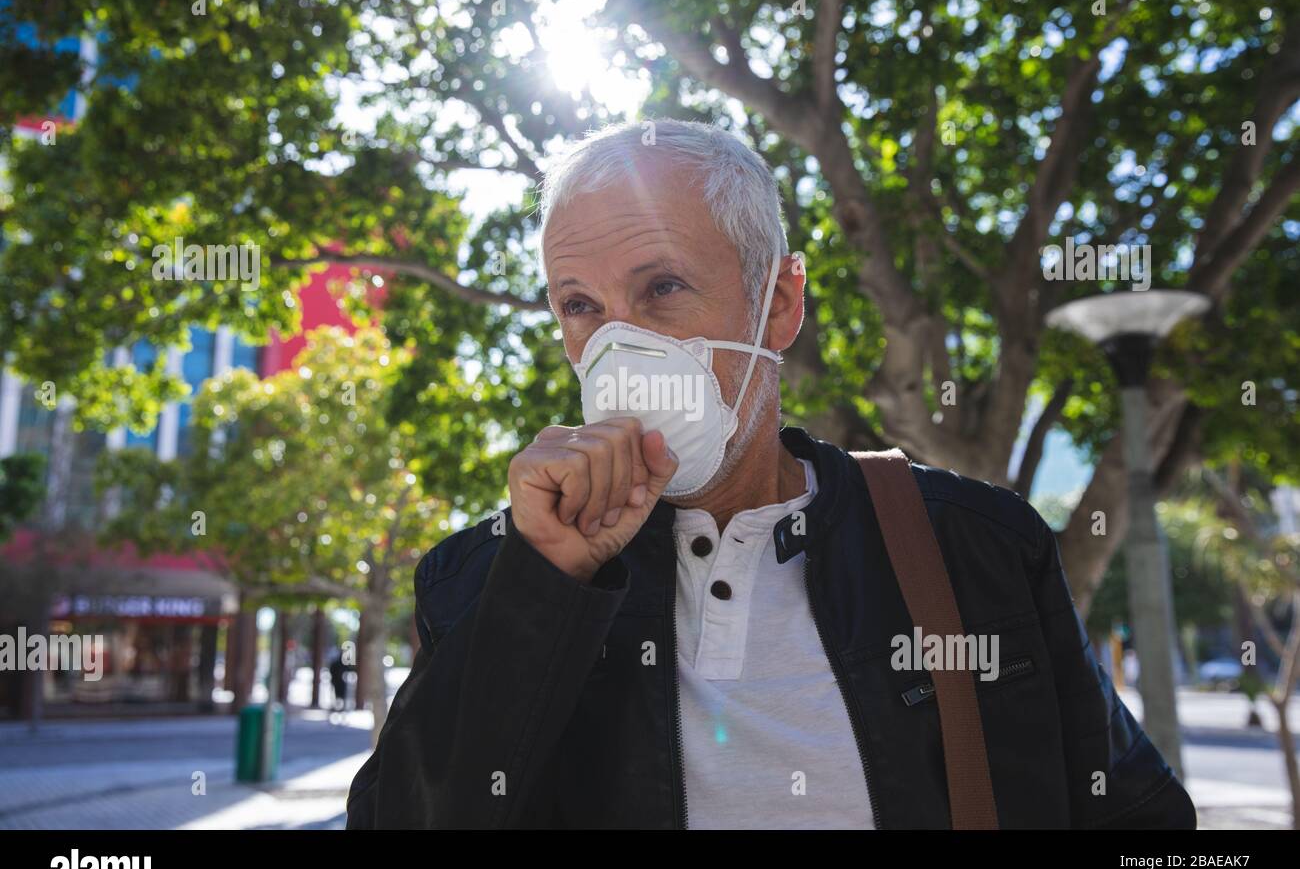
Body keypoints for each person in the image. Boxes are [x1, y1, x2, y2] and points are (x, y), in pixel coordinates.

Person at [346, 119, 1195, 829]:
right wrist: (544, 587)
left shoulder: (977, 547)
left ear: (780, 305)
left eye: (663, 288)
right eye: (580, 305)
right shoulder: (484, 576)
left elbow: (1144, 828)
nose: (619, 345)